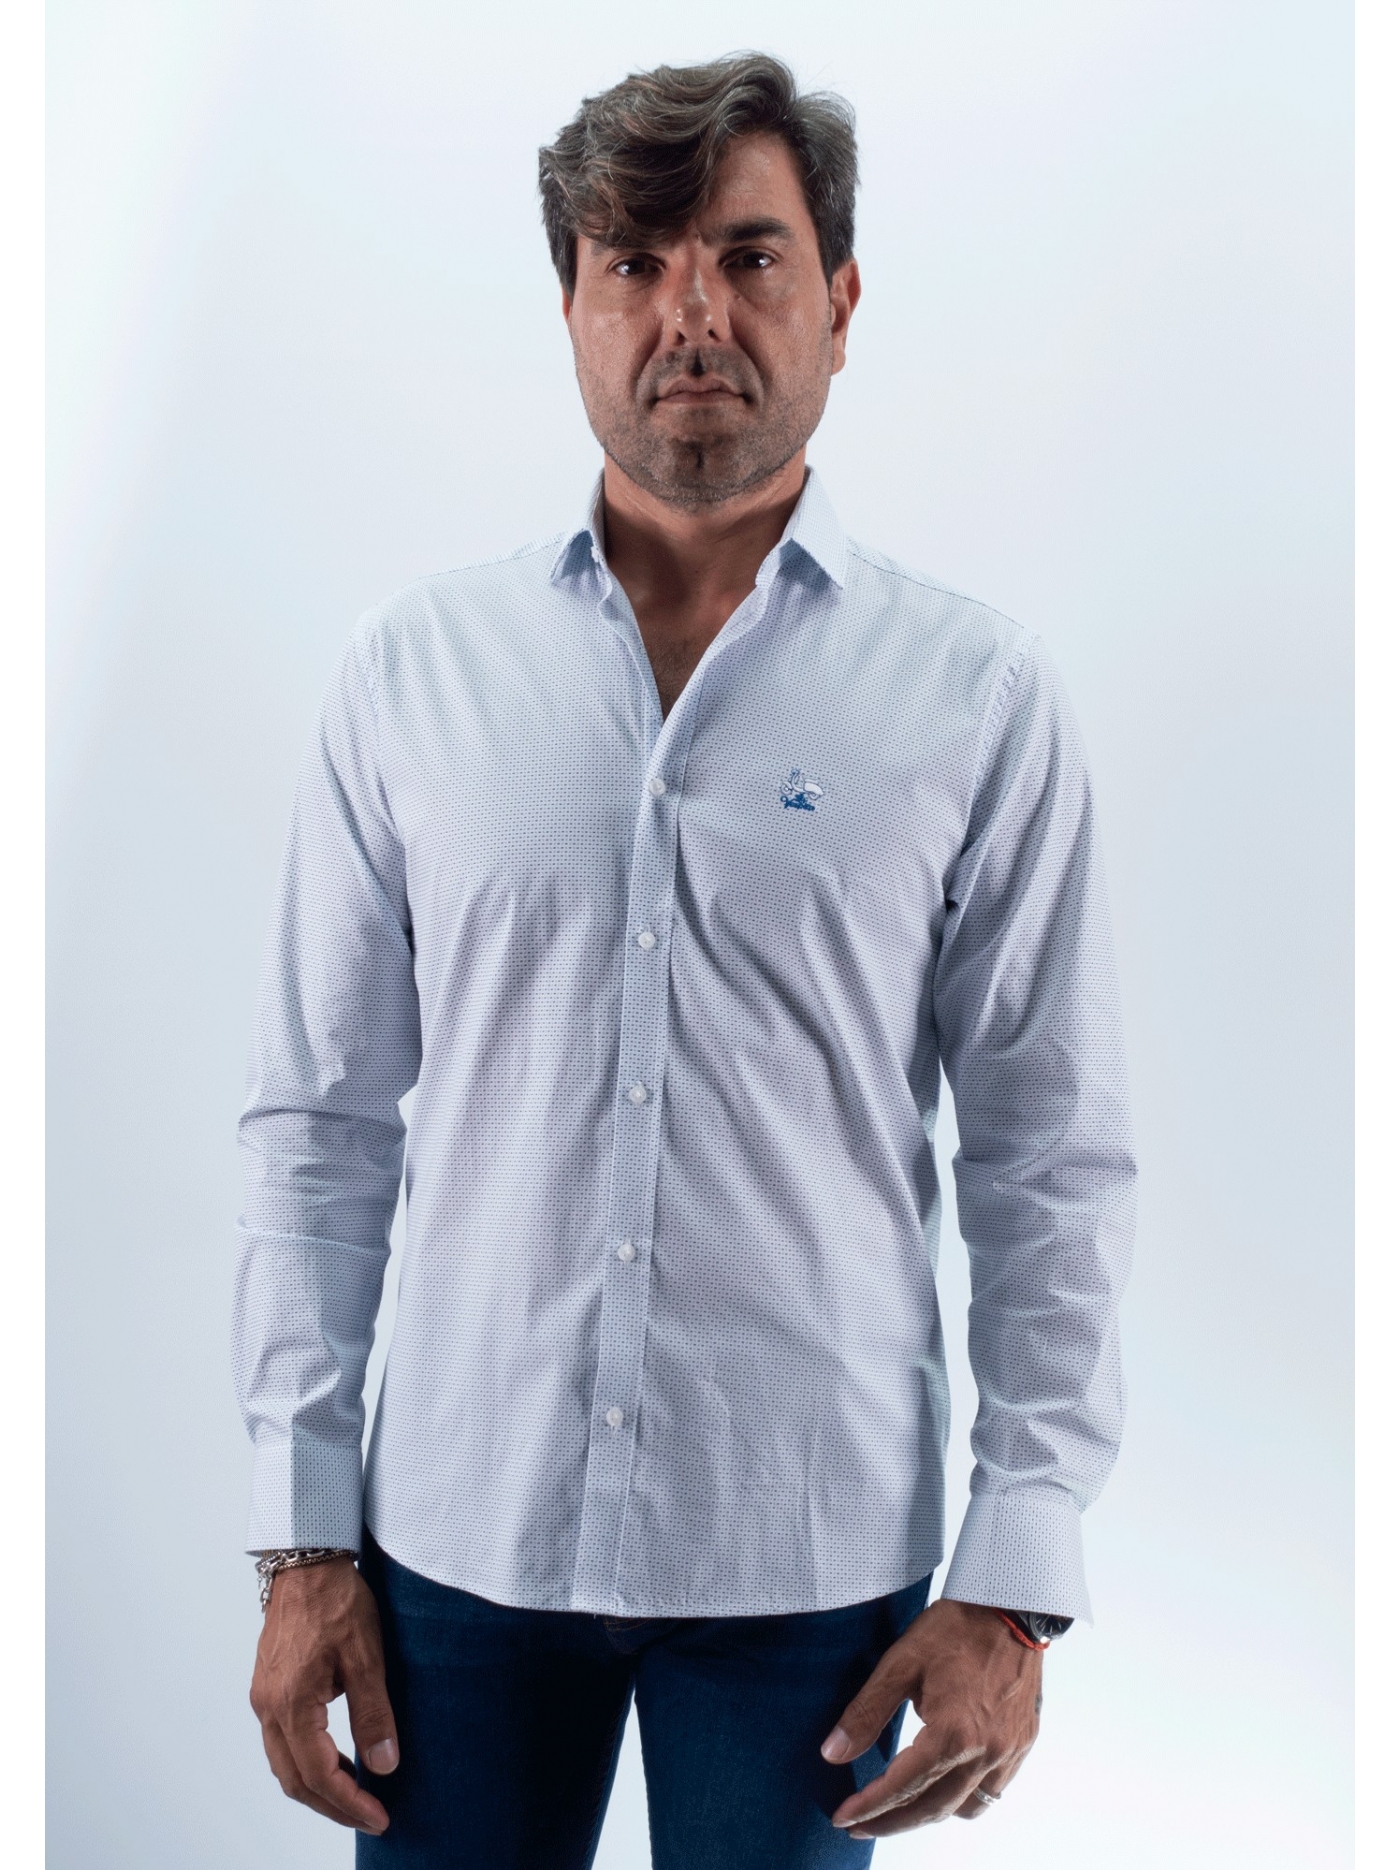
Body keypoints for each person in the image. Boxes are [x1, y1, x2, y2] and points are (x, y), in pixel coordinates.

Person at [234, 51, 1136, 1869]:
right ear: (570, 305)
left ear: (842, 300)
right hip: (455, 1550)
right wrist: (301, 1533)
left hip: (811, 1567)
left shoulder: (976, 696)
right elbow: (320, 1126)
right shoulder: (413, 675)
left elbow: (1051, 1159)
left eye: (747, 254)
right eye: (635, 262)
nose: (692, 312)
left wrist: (1016, 1585)